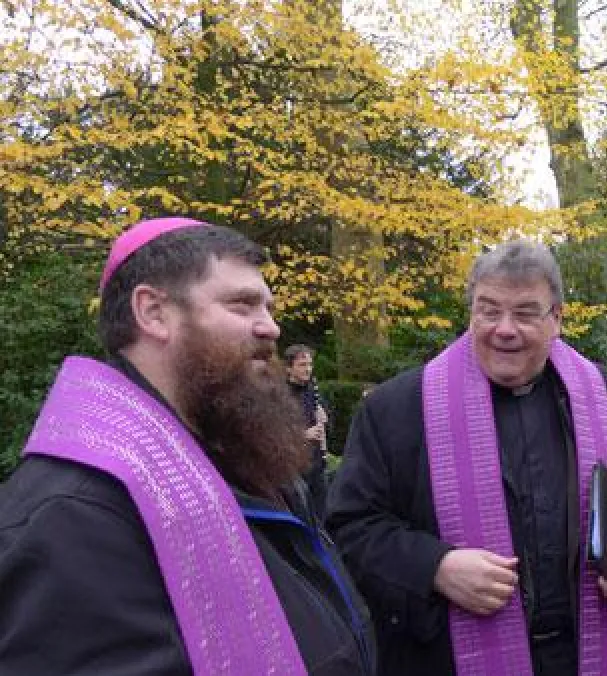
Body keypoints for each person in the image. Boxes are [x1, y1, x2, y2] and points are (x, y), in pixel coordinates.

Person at [0, 218, 374, 674]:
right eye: (243, 305)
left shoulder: (239, 454)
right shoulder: (72, 518)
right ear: (154, 312)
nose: (271, 328)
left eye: (269, 308)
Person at [326, 239, 607, 675]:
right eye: (488, 310)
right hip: (449, 656)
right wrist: (436, 567)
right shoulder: (396, 408)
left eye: (525, 312)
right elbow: (351, 526)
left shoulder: (606, 395)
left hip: (592, 652)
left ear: (557, 319)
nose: (504, 328)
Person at [285, 343, 333, 518]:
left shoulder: (312, 391)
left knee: (323, 515)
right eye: (302, 365)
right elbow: (277, 433)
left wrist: (325, 416)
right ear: (289, 368)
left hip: (317, 463)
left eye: (310, 364)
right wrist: (304, 435)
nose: (308, 369)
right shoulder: (282, 395)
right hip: (295, 468)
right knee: (302, 514)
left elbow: (326, 421)